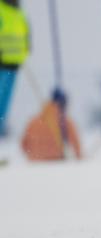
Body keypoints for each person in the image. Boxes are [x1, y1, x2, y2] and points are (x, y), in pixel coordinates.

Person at [21, 89, 81, 161]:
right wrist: (80, 158)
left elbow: (23, 145)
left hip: (34, 164)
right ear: (63, 104)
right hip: (55, 164)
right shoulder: (65, 122)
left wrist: (35, 153)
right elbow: (76, 144)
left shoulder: (33, 121)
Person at [0, 0, 30, 136]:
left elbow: (26, 35)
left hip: (14, 65)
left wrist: (24, 52)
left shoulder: (19, 13)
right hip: (2, 64)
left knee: (3, 109)